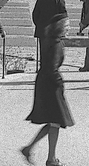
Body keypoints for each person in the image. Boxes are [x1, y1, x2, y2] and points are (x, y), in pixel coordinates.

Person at [20, 15, 74, 166]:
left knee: (54, 121)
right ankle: (50, 159)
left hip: (45, 82)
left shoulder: (50, 39)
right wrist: (60, 83)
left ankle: (32, 150)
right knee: (56, 121)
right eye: (67, 26)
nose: (69, 28)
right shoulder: (56, 43)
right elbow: (52, 68)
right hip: (50, 84)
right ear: (60, 27)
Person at [32, 0, 67, 69]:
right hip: (55, 33)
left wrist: (40, 26)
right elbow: (64, 18)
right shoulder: (60, 2)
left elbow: (35, 16)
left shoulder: (40, 1)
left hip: (43, 32)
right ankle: (53, 69)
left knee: (43, 53)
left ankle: (43, 70)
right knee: (54, 52)